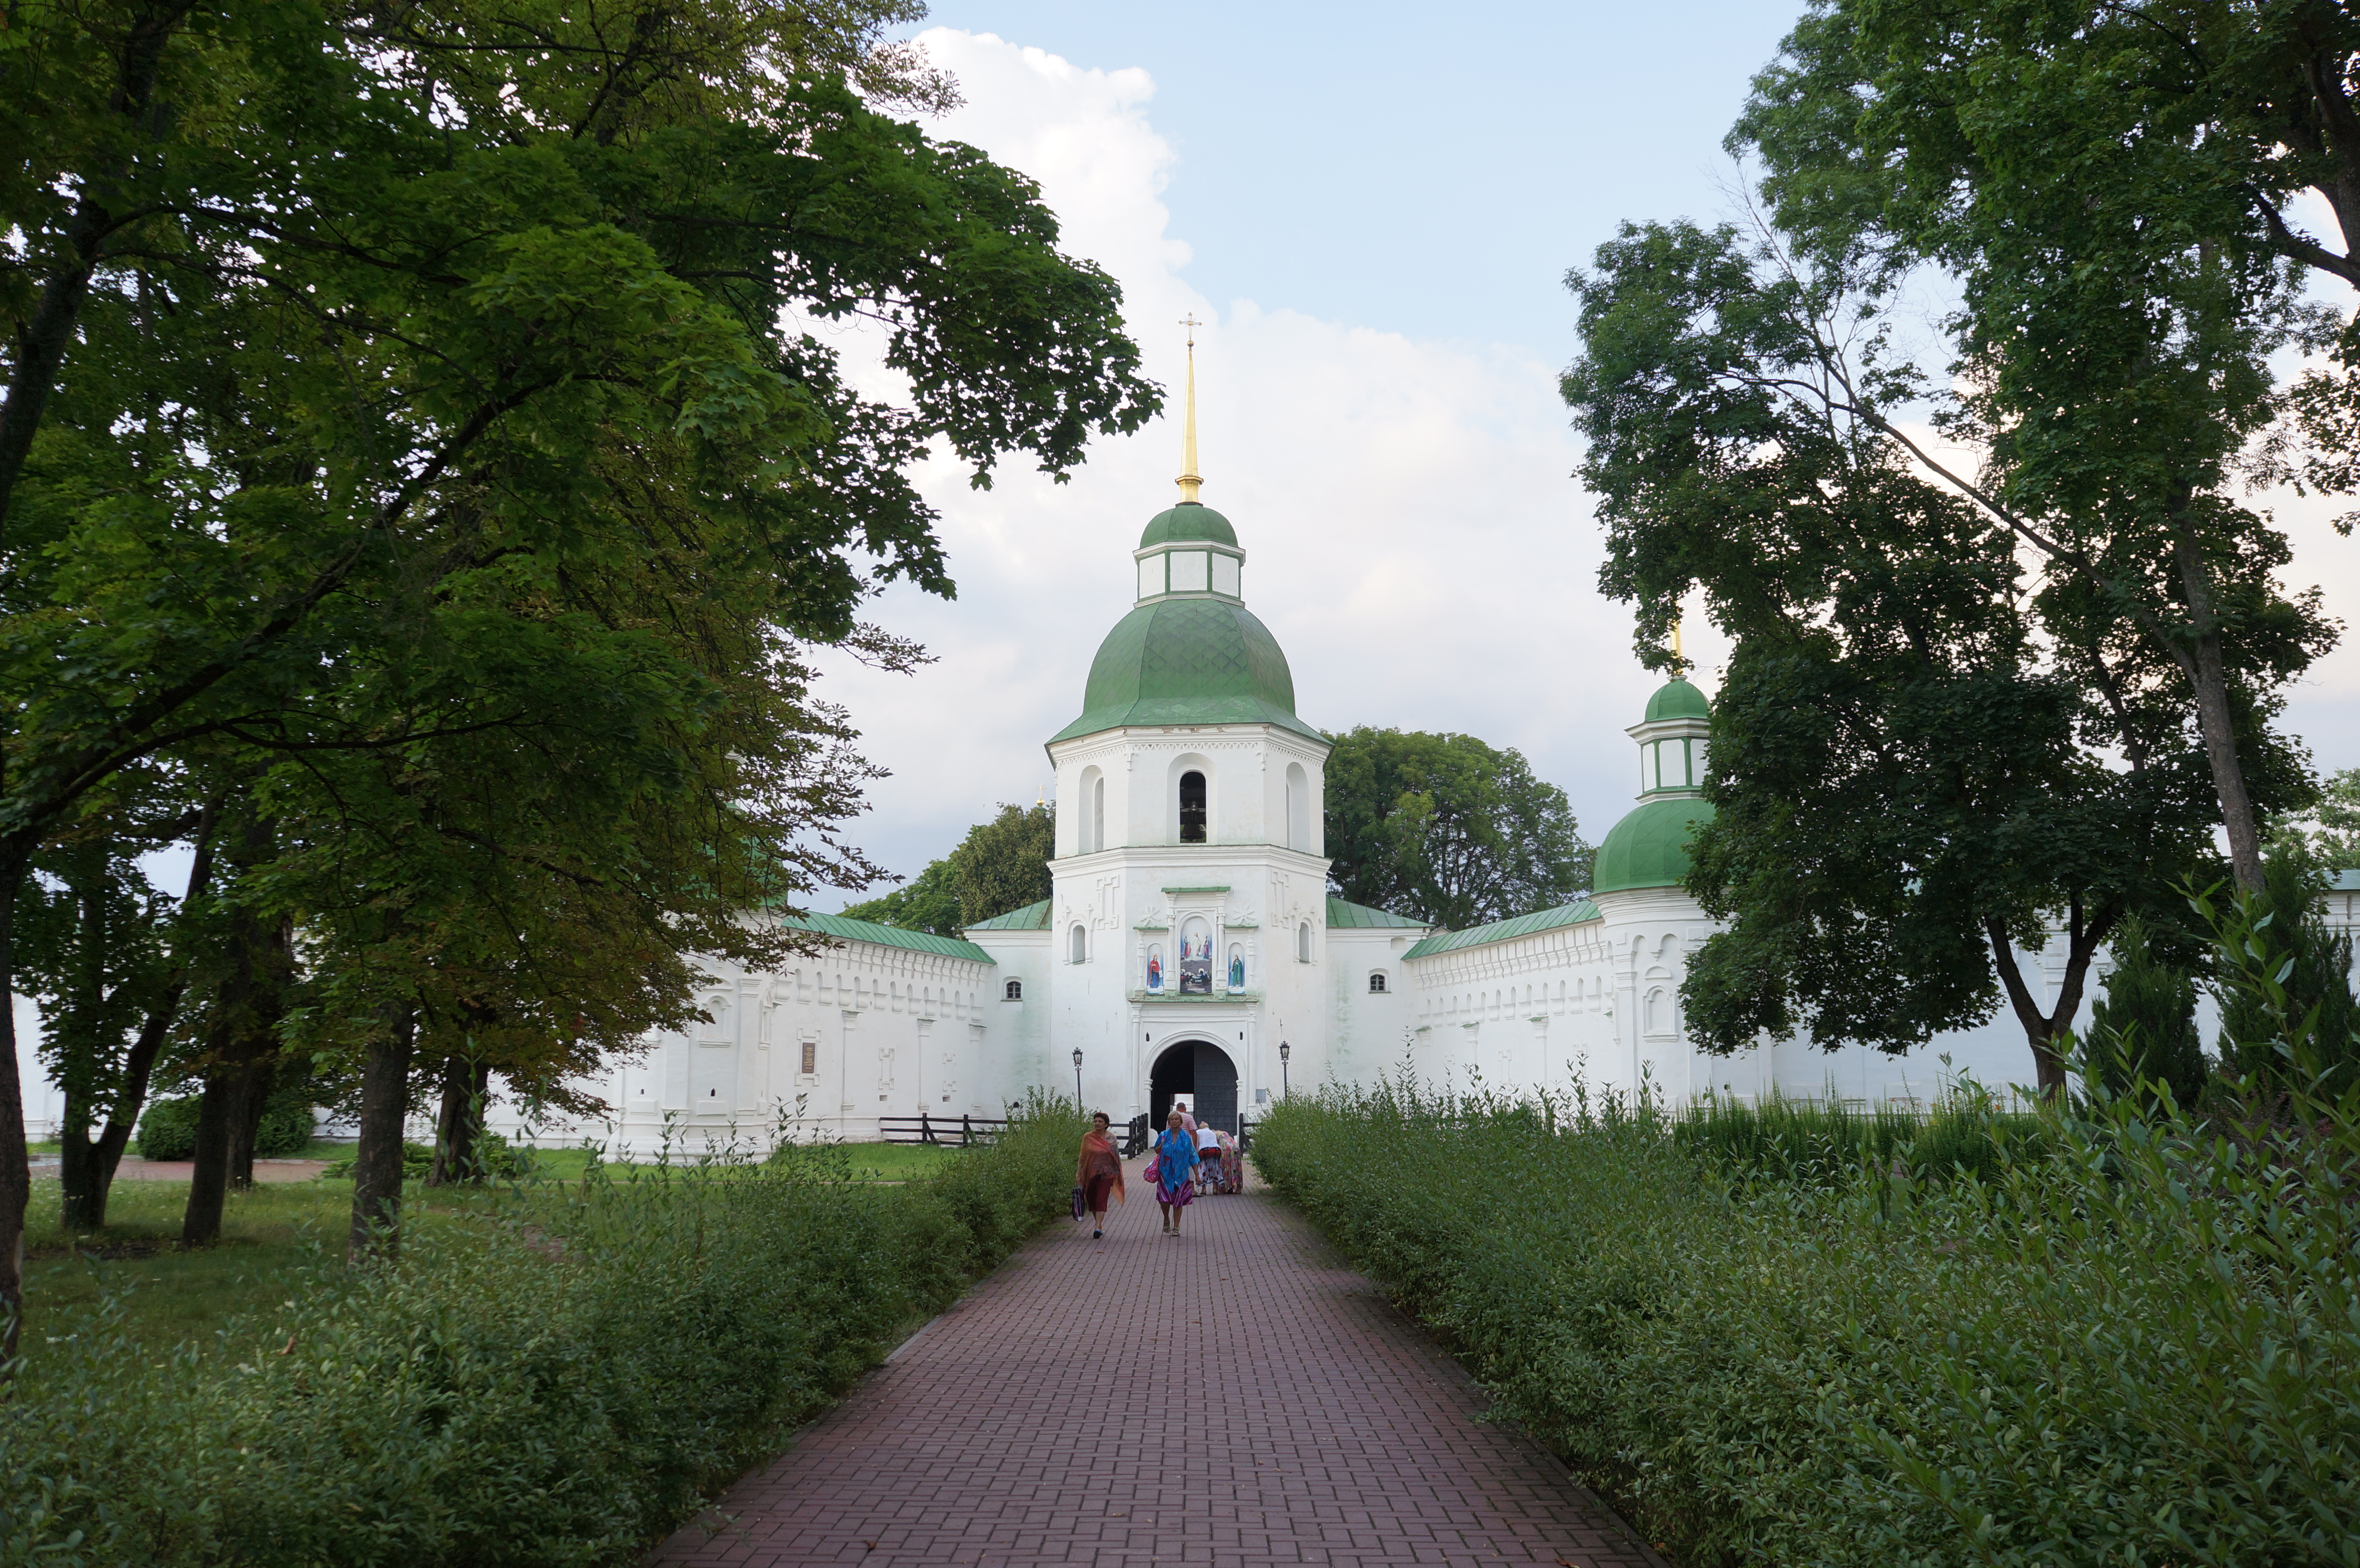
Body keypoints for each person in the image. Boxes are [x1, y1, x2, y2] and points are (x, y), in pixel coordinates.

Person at [1076, 1111, 1124, 1240]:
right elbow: (1083, 1158)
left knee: (1101, 1200)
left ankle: (1097, 1228)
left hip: (1107, 1174)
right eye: (1095, 1121)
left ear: (1106, 1124)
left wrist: (1118, 1174)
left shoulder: (1112, 1139)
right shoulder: (1088, 1138)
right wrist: (1079, 1175)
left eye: (1100, 1122)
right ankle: (1100, 1226)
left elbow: (1115, 1158)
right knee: (1092, 1200)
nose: (1097, 1124)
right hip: (1090, 1174)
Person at [1154, 1107, 1200, 1236]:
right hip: (1165, 1173)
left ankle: (1176, 1227)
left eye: (1176, 1119)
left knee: (1178, 1201)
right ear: (1169, 1122)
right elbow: (1157, 1151)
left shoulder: (1186, 1138)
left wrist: (1196, 1175)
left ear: (1181, 1122)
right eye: (1172, 1120)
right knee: (1164, 1200)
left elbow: (1192, 1155)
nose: (1174, 1121)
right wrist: (1162, 1145)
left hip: (1181, 1174)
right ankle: (1167, 1218)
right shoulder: (1163, 1135)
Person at [1194, 1118, 1222, 1195]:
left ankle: (1204, 1189)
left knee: (1203, 1168)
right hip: (1215, 1150)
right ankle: (1215, 1189)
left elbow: (1197, 1143)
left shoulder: (1198, 1132)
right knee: (1214, 1167)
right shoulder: (1212, 1132)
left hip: (1204, 1150)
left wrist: (1196, 1151)